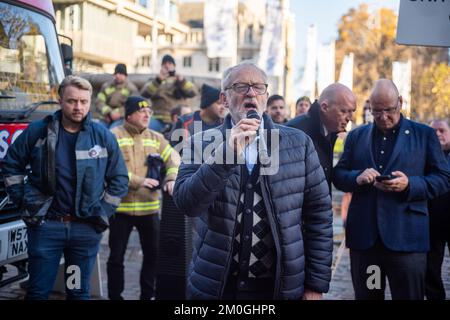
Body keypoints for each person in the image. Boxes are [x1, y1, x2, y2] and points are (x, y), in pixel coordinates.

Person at [173, 62, 333, 300]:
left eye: (258, 87)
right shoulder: (201, 142)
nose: (251, 93)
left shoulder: (298, 144)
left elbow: (319, 215)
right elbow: (186, 203)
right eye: (240, 86)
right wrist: (226, 156)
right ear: (224, 99)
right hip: (218, 283)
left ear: (266, 97)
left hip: (279, 285)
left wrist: (315, 285)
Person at [2, 75, 129, 300]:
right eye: (72, 101)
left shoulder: (102, 137)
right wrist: (24, 201)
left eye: (83, 101)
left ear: (90, 102)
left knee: (78, 291)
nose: (78, 107)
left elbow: (119, 179)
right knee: (38, 292)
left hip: (84, 231)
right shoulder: (38, 132)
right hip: (46, 229)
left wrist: (102, 212)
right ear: (60, 99)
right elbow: (12, 165)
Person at [333, 79, 450, 300]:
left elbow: (443, 178)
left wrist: (410, 185)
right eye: (377, 111)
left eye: (389, 110)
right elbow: (338, 175)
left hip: (407, 243)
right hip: (367, 246)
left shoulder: (424, 135)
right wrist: (356, 178)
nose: (383, 117)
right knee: (369, 295)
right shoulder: (357, 136)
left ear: (400, 103)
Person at [107, 96, 180, 300]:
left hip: (149, 210)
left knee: (153, 257)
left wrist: (172, 178)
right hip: (121, 210)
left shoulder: (156, 137)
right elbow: (110, 168)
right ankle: (115, 297)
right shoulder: (113, 136)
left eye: (150, 112)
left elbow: (174, 158)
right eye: (142, 111)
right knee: (115, 258)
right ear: (129, 114)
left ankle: (147, 296)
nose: (148, 114)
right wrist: (139, 181)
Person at [286, 83, 356, 191]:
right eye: (343, 111)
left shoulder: (332, 130)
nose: (350, 118)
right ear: (324, 107)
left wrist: (356, 177)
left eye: (352, 111)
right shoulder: (295, 132)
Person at [426, 119, 450, 300]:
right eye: (434, 131)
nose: (438, 134)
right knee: (431, 270)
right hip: (433, 222)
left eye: (442, 130)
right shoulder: (425, 156)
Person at [141, 54, 197, 132]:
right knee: (144, 131)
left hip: (178, 119)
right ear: (161, 67)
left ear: (174, 66)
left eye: (170, 64)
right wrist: (158, 80)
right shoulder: (154, 80)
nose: (167, 66)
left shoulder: (181, 80)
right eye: (164, 64)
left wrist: (182, 81)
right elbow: (145, 94)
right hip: (158, 118)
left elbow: (193, 92)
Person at [170, 84, 225, 149]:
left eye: (224, 103)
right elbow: (172, 149)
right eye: (219, 103)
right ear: (207, 104)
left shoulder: (226, 124)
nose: (223, 107)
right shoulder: (184, 122)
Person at [95, 63, 139, 128]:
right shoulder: (107, 86)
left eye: (120, 74)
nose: (117, 76)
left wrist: (119, 113)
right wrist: (109, 112)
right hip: (106, 117)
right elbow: (99, 101)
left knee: (113, 131)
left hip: (122, 119)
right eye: (116, 73)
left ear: (125, 75)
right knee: (98, 130)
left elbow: (133, 106)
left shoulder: (131, 88)